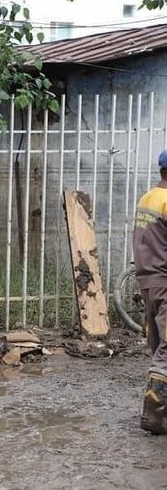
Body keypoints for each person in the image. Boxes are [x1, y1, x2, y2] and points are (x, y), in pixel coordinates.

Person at [134, 149, 167, 434]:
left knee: (158, 343)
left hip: (148, 281)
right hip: (165, 281)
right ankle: (154, 417)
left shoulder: (148, 197)